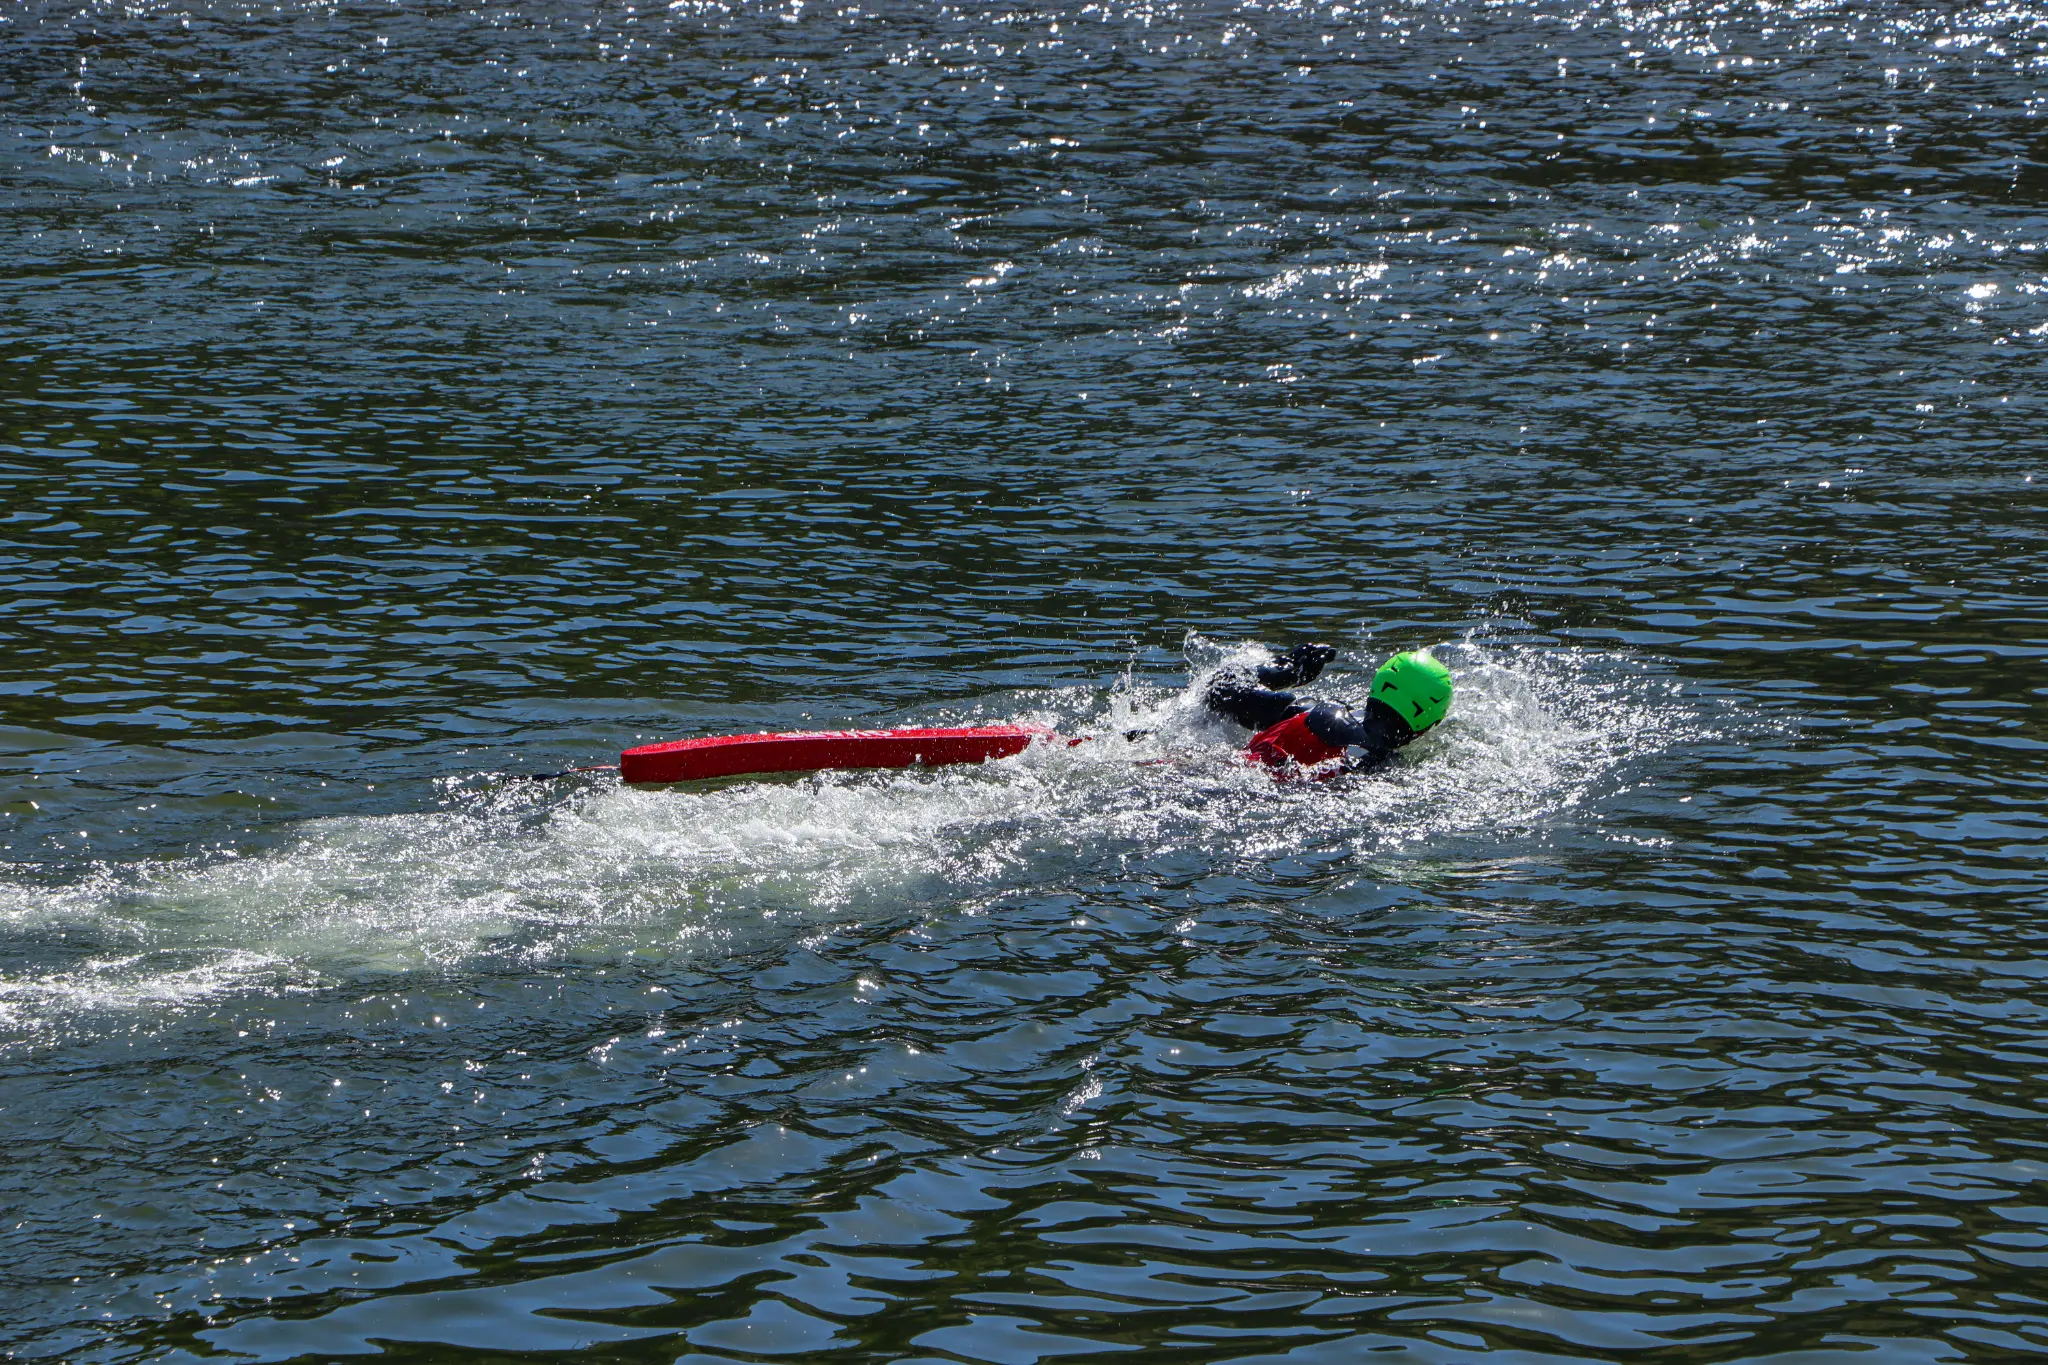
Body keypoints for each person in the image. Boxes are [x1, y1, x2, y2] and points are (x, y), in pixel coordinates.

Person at [1202, 641, 1453, 778]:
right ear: (1428, 726)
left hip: (1213, 771)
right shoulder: (1390, 771)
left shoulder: (1303, 712)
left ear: (1377, 686)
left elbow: (1219, 687)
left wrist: (1286, 669)